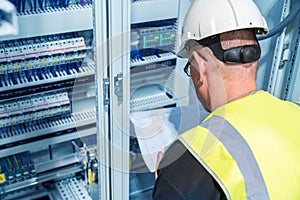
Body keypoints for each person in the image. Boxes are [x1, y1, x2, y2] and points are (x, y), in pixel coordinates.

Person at [152, 0, 300, 199]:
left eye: (190, 67)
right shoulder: (294, 113)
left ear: (200, 67)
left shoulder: (184, 163)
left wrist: (166, 181)